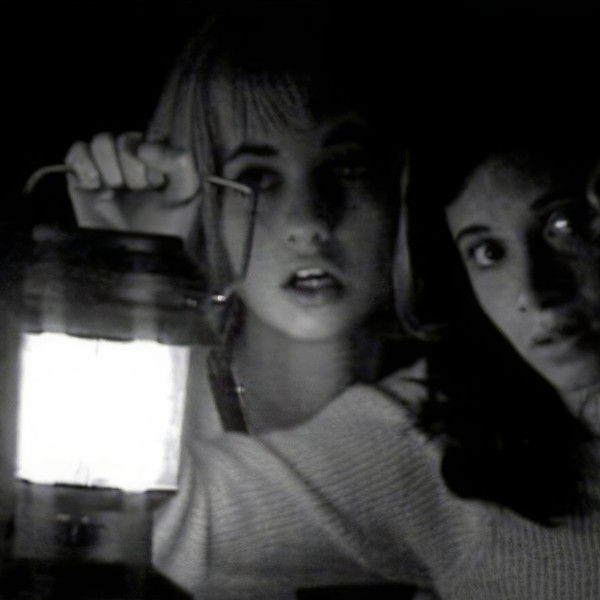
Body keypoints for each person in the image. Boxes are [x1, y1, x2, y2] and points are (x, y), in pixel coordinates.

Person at [148, 146, 599, 599]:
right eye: (487, 252)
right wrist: (142, 267)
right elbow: (170, 523)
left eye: (567, 226)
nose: (535, 292)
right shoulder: (444, 440)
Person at [65, 11, 418, 441]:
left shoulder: (462, 416)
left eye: (346, 166)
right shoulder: (148, 412)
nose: (307, 222)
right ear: (205, 199)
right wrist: (136, 272)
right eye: (257, 177)